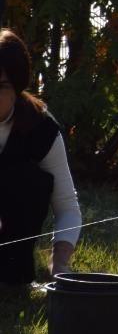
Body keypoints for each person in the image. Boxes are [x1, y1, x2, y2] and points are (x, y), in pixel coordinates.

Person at [0, 29, 81, 286]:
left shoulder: (41, 129)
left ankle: (13, 268)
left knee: (28, 179)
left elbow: (67, 207)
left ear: (18, 86)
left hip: (13, 245)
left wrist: (60, 264)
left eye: (0, 86)